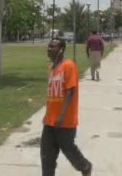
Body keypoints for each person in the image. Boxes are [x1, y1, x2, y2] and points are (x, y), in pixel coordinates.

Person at [41, 38, 92, 176]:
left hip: (65, 121)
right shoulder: (51, 68)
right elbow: (52, 95)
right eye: (49, 46)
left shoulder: (68, 65)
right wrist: (47, 115)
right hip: (50, 121)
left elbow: (71, 90)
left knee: (69, 150)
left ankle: (85, 167)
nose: (49, 49)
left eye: (53, 46)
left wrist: (61, 115)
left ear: (61, 50)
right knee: (47, 156)